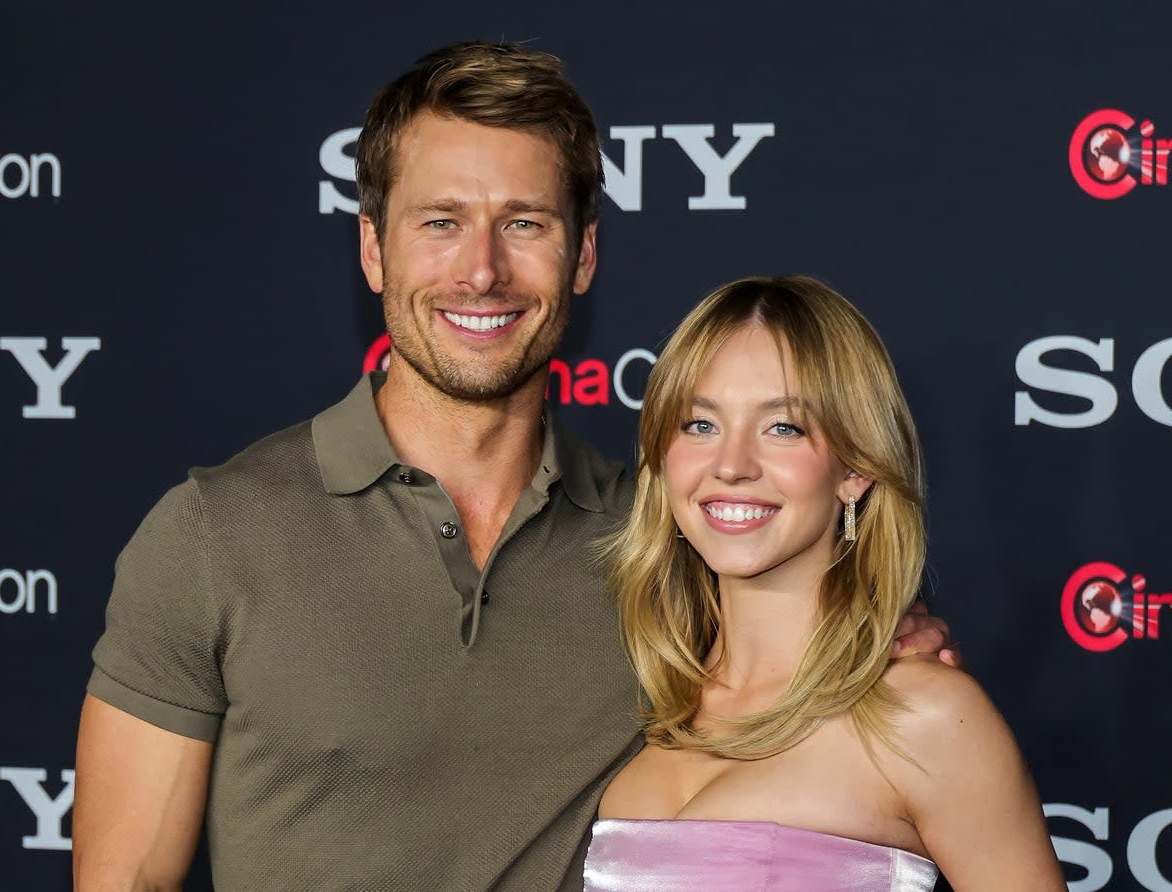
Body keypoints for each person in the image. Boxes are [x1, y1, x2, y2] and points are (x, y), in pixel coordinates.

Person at [72, 44, 956, 891]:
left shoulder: (667, 544)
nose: (483, 271)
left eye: (524, 224)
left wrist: (882, 634)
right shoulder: (212, 533)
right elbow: (129, 878)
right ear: (375, 249)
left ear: (585, 255)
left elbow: (807, 643)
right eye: (442, 223)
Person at [587, 276, 1064, 891]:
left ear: (856, 470)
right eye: (699, 425)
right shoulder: (634, 704)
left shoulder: (926, 716)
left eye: (782, 428)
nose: (731, 465)